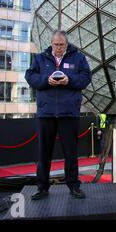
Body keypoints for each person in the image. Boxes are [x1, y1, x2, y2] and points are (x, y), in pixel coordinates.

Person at [25, 30, 91, 200]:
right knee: (43, 153)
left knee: (70, 152)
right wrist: (46, 80)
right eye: (56, 44)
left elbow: (86, 78)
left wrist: (69, 80)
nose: (59, 48)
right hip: (46, 113)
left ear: (66, 44)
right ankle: (42, 187)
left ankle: (73, 186)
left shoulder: (78, 58)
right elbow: (30, 76)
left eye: (62, 45)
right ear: (51, 43)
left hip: (69, 112)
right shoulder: (40, 58)